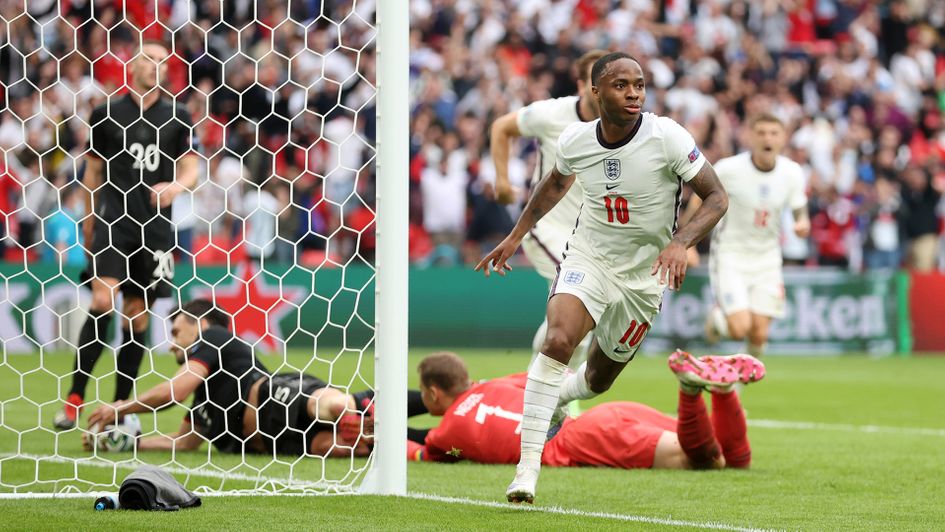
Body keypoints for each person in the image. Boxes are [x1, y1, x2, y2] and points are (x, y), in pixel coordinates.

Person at [475, 52, 729, 503]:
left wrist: (680, 242)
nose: (633, 93)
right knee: (557, 340)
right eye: (620, 85)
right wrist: (515, 236)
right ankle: (526, 471)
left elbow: (715, 197)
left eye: (639, 84)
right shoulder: (575, 139)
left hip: (643, 276)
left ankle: (558, 397)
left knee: (597, 380)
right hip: (588, 257)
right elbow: (553, 184)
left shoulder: (666, 135)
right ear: (595, 91)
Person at [54, 40, 201, 430]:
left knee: (136, 317)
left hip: (154, 228)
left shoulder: (179, 116)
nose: (155, 66)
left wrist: (175, 188)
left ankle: (119, 408)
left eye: (162, 62)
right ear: (132, 64)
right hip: (112, 222)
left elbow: (192, 168)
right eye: (149, 59)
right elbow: (92, 173)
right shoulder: (105, 114)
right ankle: (74, 398)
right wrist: (87, 221)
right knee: (103, 299)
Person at [83, 298, 424, 456]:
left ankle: (435, 398)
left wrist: (120, 408)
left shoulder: (214, 338)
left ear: (199, 325)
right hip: (279, 443)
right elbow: (185, 442)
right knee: (359, 444)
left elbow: (174, 391)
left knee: (338, 408)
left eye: (176, 331)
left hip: (276, 399)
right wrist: (132, 443)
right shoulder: (204, 398)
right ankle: (440, 441)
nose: (172, 344)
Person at [407, 351, 763, 473]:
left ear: (434, 393)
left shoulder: (446, 433)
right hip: (602, 417)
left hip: (582, 441)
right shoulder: (495, 385)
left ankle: (689, 389)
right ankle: (725, 393)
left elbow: (423, 452)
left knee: (705, 461)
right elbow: (553, 375)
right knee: (734, 461)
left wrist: (375, 436)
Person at [489, 49, 606, 364]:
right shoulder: (551, 114)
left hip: (590, 238)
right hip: (547, 226)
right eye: (596, 80)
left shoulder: (623, 127)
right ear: (581, 85)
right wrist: (501, 181)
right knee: (578, 301)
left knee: (581, 320)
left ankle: (540, 386)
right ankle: (553, 396)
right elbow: (502, 126)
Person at [694, 114, 810, 358]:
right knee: (739, 329)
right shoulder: (729, 168)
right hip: (730, 255)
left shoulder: (792, 173)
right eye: (761, 133)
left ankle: (733, 388)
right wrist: (687, 242)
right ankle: (716, 317)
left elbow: (799, 206)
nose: (767, 138)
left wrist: (802, 221)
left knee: (759, 335)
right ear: (750, 137)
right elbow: (700, 196)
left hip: (767, 259)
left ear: (783, 138)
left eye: (773, 133)